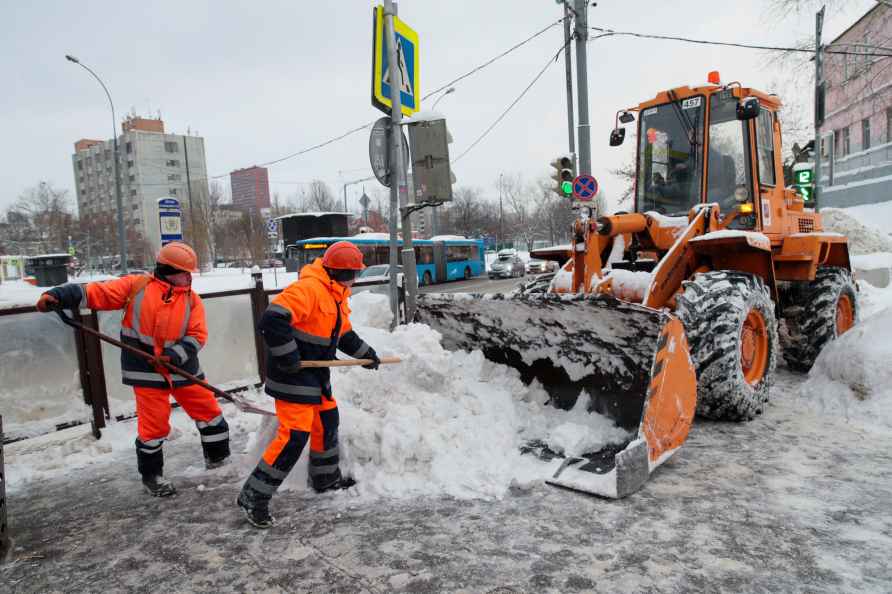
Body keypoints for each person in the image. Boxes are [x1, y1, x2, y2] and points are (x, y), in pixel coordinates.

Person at [35, 241, 230, 497]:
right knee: (154, 428)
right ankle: (152, 477)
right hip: (145, 371)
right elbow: (97, 292)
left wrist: (174, 355)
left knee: (211, 414)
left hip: (184, 370)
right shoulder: (136, 287)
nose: (188, 278)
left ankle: (219, 463)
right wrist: (58, 295)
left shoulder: (192, 301)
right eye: (184, 273)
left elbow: (197, 335)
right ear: (168, 270)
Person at [237, 241, 381, 528]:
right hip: (293, 376)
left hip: (316, 377)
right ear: (340, 271)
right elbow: (272, 320)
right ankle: (254, 495)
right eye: (353, 273)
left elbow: (343, 334)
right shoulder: (309, 289)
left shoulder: (336, 295)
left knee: (328, 420)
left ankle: (325, 478)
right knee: (294, 436)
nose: (355, 279)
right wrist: (288, 355)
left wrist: (366, 354)